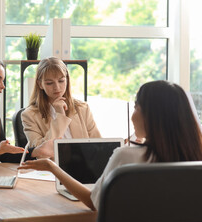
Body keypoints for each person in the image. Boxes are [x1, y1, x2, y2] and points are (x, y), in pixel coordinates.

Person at [18, 80, 202, 210]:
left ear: (153, 116)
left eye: (136, 107)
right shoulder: (196, 159)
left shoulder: (127, 156)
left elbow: (94, 202)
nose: (132, 115)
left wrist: (53, 167)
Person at [21, 57, 101, 147]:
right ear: (40, 84)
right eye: (49, 83)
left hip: (84, 161)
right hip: (51, 161)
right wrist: (60, 116)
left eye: (61, 81)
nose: (57, 87)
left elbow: (98, 145)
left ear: (67, 80)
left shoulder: (82, 108)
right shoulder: (29, 115)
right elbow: (40, 150)